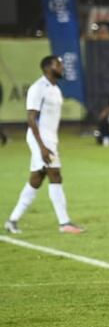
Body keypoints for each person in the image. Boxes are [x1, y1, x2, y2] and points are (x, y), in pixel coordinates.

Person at [4, 56, 84, 234]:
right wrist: (42, 146)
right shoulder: (38, 88)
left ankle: (12, 220)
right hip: (39, 139)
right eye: (58, 64)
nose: (62, 67)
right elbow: (31, 118)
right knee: (55, 175)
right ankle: (65, 223)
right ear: (48, 67)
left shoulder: (55, 88)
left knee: (36, 179)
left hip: (49, 139)